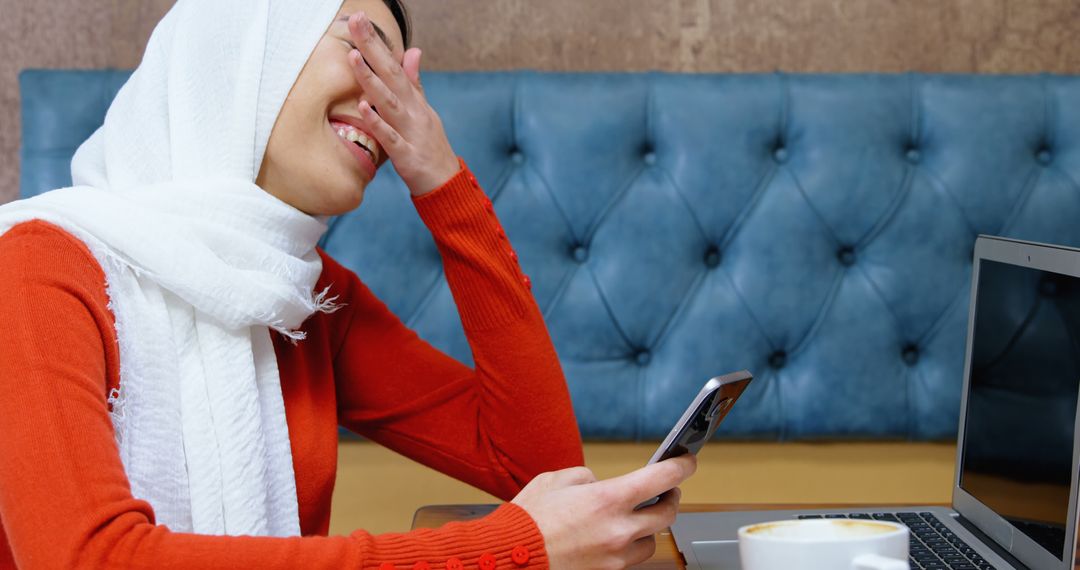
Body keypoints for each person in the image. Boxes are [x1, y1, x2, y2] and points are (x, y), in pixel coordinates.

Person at [0, 1, 696, 568]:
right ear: (248, 53)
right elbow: (84, 558)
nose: (387, 98)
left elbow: (536, 464)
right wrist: (512, 547)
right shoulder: (36, 269)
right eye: (360, 47)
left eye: (399, 73)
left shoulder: (302, 298)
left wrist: (443, 183)